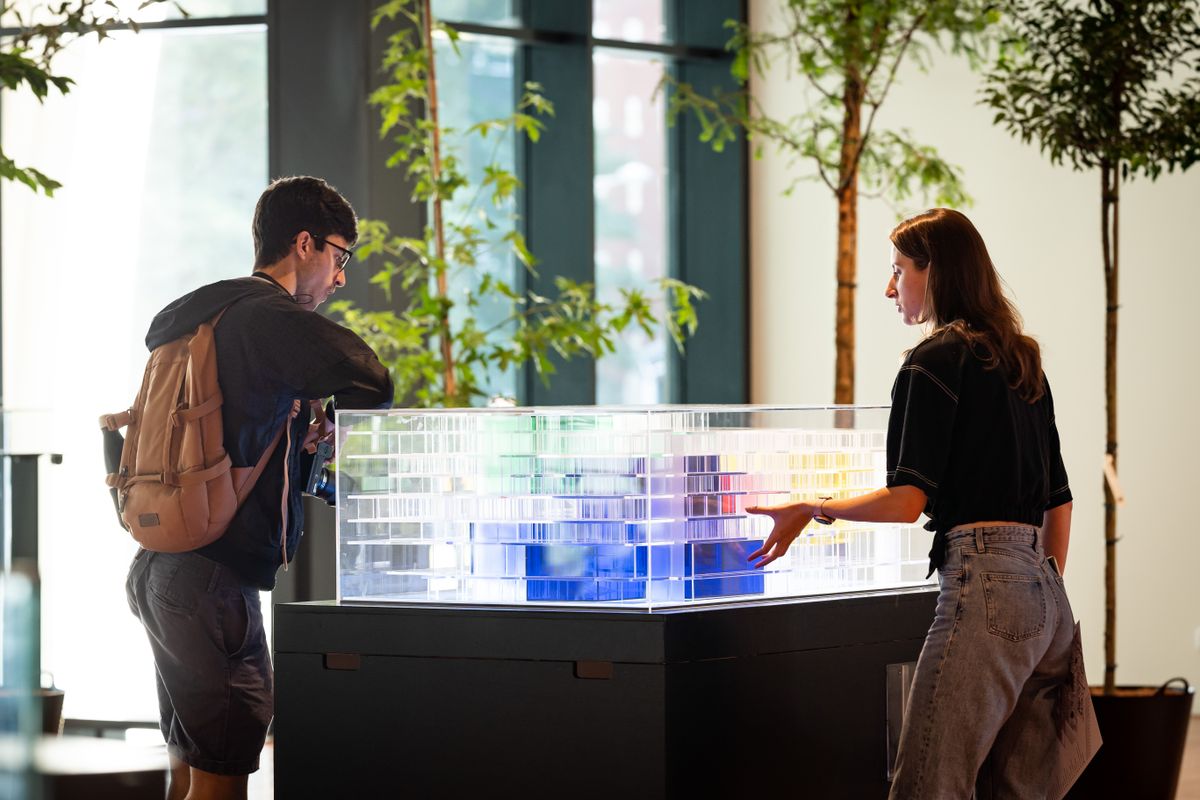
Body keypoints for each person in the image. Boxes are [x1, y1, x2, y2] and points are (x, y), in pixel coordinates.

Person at [747, 208, 1097, 799]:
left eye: (898, 270)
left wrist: (814, 506)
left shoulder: (932, 361)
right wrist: (1035, 586)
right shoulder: (1022, 363)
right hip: (1047, 600)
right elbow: (1058, 504)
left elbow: (906, 500)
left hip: (984, 585)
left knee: (928, 784)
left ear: (935, 272)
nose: (890, 288)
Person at [125, 176, 393, 800]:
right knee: (223, 779)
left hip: (162, 566)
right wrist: (334, 412)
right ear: (305, 243)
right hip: (214, 581)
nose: (340, 277)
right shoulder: (270, 316)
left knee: (189, 769)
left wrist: (302, 419)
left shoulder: (203, 313)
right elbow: (372, 379)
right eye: (340, 256)